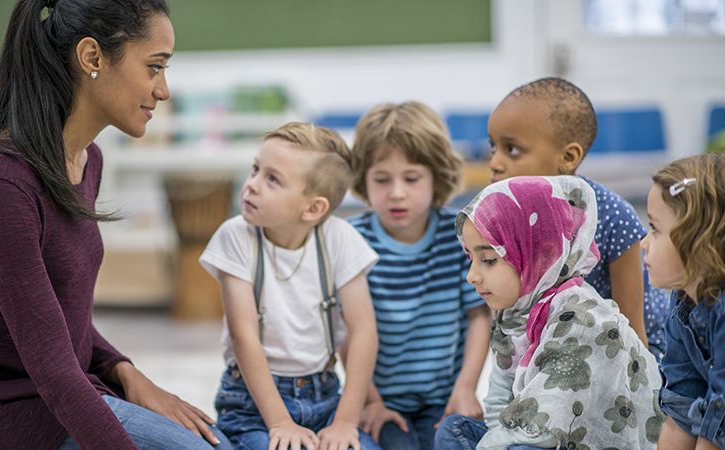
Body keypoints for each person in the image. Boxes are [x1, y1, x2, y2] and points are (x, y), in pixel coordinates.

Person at [0, 1, 230, 449]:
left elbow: (60, 318)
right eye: (154, 67)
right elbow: (54, 370)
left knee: (215, 440)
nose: (163, 90)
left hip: (47, 389)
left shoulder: (88, 161)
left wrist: (127, 373)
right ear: (92, 58)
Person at [436, 175, 664, 450]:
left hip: (576, 438)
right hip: (536, 433)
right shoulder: (515, 313)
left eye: (488, 260)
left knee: (524, 447)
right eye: (471, 259)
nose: (472, 276)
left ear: (537, 255)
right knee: (454, 429)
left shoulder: (581, 319)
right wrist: (495, 440)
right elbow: (498, 401)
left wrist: (490, 445)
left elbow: (546, 428)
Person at [199, 122, 381, 450]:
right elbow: (244, 337)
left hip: (326, 397)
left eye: (272, 179)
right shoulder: (235, 236)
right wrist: (281, 423)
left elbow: (364, 332)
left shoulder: (339, 238)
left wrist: (345, 422)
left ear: (313, 208)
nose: (252, 184)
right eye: (256, 169)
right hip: (253, 404)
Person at [486, 77, 669, 358]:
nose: (495, 163)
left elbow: (634, 335)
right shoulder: (508, 215)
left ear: (568, 157)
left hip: (626, 350)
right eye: (493, 147)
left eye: (512, 149)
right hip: (558, 346)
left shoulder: (613, 217)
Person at [347, 102, 492, 450]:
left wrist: (465, 389)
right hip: (380, 401)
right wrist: (370, 401)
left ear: (436, 177)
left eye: (411, 178)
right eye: (382, 179)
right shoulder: (350, 241)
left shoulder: (458, 234)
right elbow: (346, 331)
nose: (397, 192)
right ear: (364, 180)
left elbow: (479, 317)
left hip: (443, 400)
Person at [641, 154, 725, 450]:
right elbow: (681, 413)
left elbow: (718, 426)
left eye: (654, 228)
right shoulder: (683, 301)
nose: (644, 242)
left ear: (701, 242)